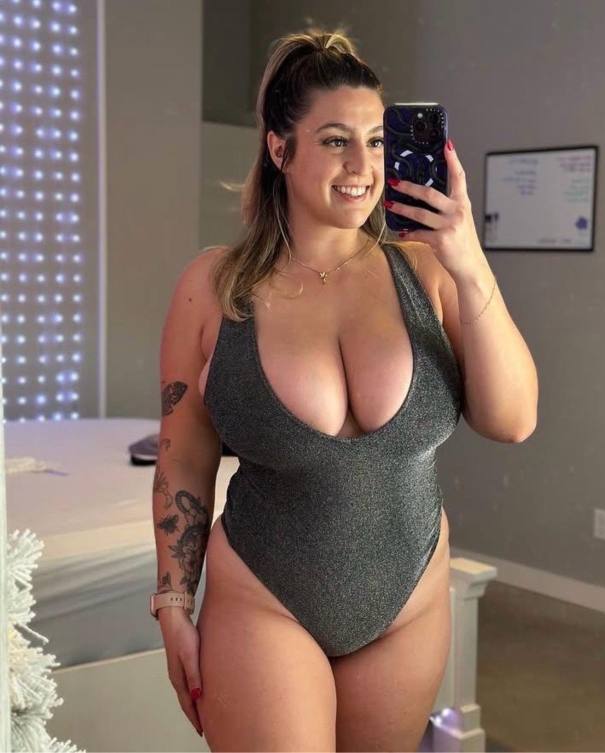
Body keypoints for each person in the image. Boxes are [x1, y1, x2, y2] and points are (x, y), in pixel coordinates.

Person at [152, 25, 535, 753]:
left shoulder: (428, 271)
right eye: (335, 141)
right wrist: (174, 600)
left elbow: (513, 419)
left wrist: (469, 261)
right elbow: (184, 456)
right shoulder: (214, 287)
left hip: (408, 606)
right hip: (266, 600)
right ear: (280, 149)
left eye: (376, 140)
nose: (362, 165)